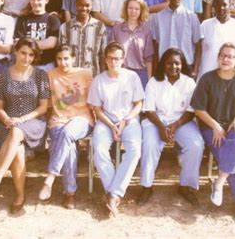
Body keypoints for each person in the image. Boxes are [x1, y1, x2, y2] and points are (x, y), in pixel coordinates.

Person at [0, 38, 50, 214]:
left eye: (31, 54)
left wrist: (22, 119)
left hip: (34, 122)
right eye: (23, 53)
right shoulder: (3, 75)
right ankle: (20, 196)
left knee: (18, 131)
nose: (27, 58)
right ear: (15, 52)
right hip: (7, 123)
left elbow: (43, 107)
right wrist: (6, 120)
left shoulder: (40, 75)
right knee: (17, 148)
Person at [191, 42, 235, 224]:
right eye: (223, 55)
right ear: (218, 57)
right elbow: (198, 109)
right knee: (234, 157)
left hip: (233, 126)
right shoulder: (207, 79)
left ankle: (219, 182)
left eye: (231, 56)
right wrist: (216, 126)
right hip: (210, 128)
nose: (226, 59)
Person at [137, 48, 203, 207]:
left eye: (177, 63)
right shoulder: (154, 81)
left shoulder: (189, 82)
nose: (173, 67)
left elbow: (192, 110)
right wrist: (161, 127)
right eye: (169, 63)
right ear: (163, 65)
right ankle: (147, 186)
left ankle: (186, 186)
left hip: (182, 121)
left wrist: (176, 125)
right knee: (150, 144)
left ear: (182, 64)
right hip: (155, 121)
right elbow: (149, 109)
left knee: (196, 145)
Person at [87, 42, 144, 216]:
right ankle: (114, 192)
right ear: (105, 59)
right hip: (106, 121)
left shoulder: (132, 77)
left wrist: (126, 121)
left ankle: (114, 192)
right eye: (110, 58)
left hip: (129, 120)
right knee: (100, 149)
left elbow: (139, 104)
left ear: (123, 59)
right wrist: (112, 125)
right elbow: (97, 109)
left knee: (135, 150)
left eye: (117, 58)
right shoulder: (99, 80)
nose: (114, 62)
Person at [38, 45, 94, 209]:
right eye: (59, 59)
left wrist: (97, 122)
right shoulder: (50, 75)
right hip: (58, 120)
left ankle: (50, 177)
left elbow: (91, 102)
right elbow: (47, 103)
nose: (63, 62)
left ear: (74, 58)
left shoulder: (84, 74)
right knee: (68, 148)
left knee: (68, 131)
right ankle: (70, 193)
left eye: (66, 58)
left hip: (82, 119)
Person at [151, 0, 202, 78]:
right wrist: (155, 69)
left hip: (186, 65)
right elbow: (155, 46)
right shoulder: (158, 17)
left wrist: (195, 70)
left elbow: (198, 46)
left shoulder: (191, 17)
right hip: (164, 66)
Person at [59, 0, 107, 76]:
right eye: (81, 5)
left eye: (87, 5)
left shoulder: (100, 27)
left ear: (92, 5)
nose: (84, 8)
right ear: (75, 4)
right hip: (71, 77)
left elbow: (102, 54)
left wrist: (103, 76)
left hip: (93, 76)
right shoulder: (65, 27)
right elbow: (60, 54)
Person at [14, 0, 61, 71]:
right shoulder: (22, 20)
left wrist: (26, 44)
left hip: (48, 66)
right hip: (27, 66)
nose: (35, 2)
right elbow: (18, 43)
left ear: (46, 0)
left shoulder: (53, 20)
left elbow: (51, 43)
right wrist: (42, 43)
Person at [110, 0, 153, 88]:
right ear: (126, 9)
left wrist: (149, 78)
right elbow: (111, 54)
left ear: (141, 10)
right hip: (121, 72)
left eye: (137, 9)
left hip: (141, 74)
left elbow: (149, 58)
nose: (133, 11)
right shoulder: (117, 28)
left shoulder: (146, 30)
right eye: (130, 8)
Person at [198, 0, 235, 79]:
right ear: (213, 6)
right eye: (218, 4)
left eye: (224, 4)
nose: (221, 8)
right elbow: (199, 50)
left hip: (228, 73)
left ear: (230, 5)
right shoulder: (205, 25)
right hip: (207, 71)